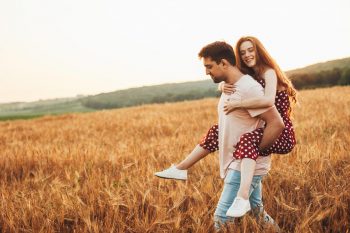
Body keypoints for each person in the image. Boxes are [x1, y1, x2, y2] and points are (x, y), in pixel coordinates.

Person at [155, 36, 297, 218]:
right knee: (217, 131)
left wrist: (240, 105)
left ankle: (242, 197)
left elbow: (269, 104)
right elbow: (233, 75)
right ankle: (181, 168)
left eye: (251, 50)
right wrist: (223, 84)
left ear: (259, 51)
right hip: (262, 131)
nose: (247, 55)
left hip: (281, 134)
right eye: (243, 52)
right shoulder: (249, 76)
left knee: (246, 142)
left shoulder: (267, 72)